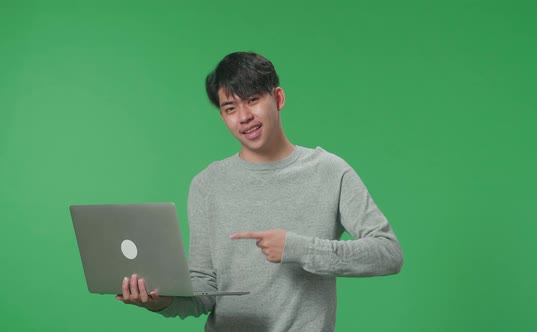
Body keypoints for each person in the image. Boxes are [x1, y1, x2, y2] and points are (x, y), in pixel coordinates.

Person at [116, 52, 403, 331]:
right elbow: (204, 289)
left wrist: (297, 248)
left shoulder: (330, 171)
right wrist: (159, 301)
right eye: (230, 108)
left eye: (253, 100)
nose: (244, 117)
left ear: (278, 98)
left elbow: (388, 252)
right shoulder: (206, 184)